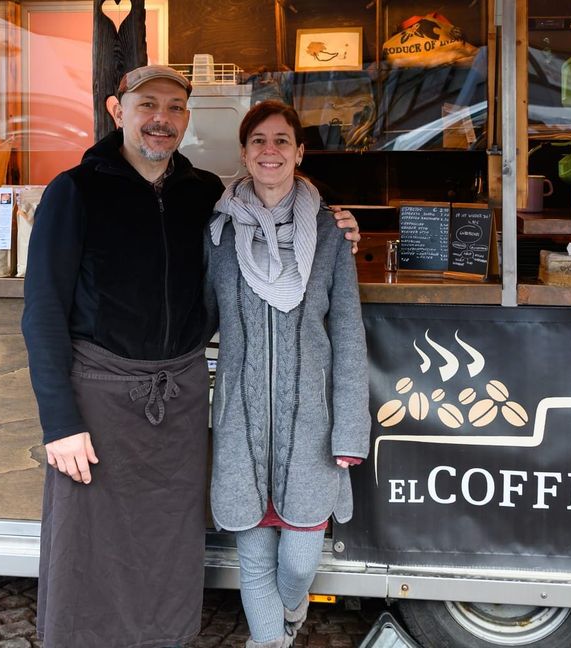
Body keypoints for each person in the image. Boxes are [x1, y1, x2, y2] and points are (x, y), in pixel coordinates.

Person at [21, 66, 359, 648]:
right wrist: (60, 422)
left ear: (187, 118)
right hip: (98, 399)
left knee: (169, 544)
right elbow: (42, 311)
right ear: (116, 110)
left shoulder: (205, 194)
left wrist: (339, 223)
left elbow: (269, 202)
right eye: (147, 105)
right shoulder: (72, 191)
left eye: (175, 107)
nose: (161, 119)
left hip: (177, 399)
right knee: (89, 548)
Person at [203, 100, 371, 648]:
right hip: (241, 429)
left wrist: (349, 430)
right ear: (245, 153)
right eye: (258, 141)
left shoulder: (329, 235)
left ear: (299, 152)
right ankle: (268, 641)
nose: (269, 151)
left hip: (310, 434)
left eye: (281, 141)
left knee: (299, 564)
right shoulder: (220, 235)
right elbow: (196, 313)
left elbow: (348, 335)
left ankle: (292, 611)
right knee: (253, 563)